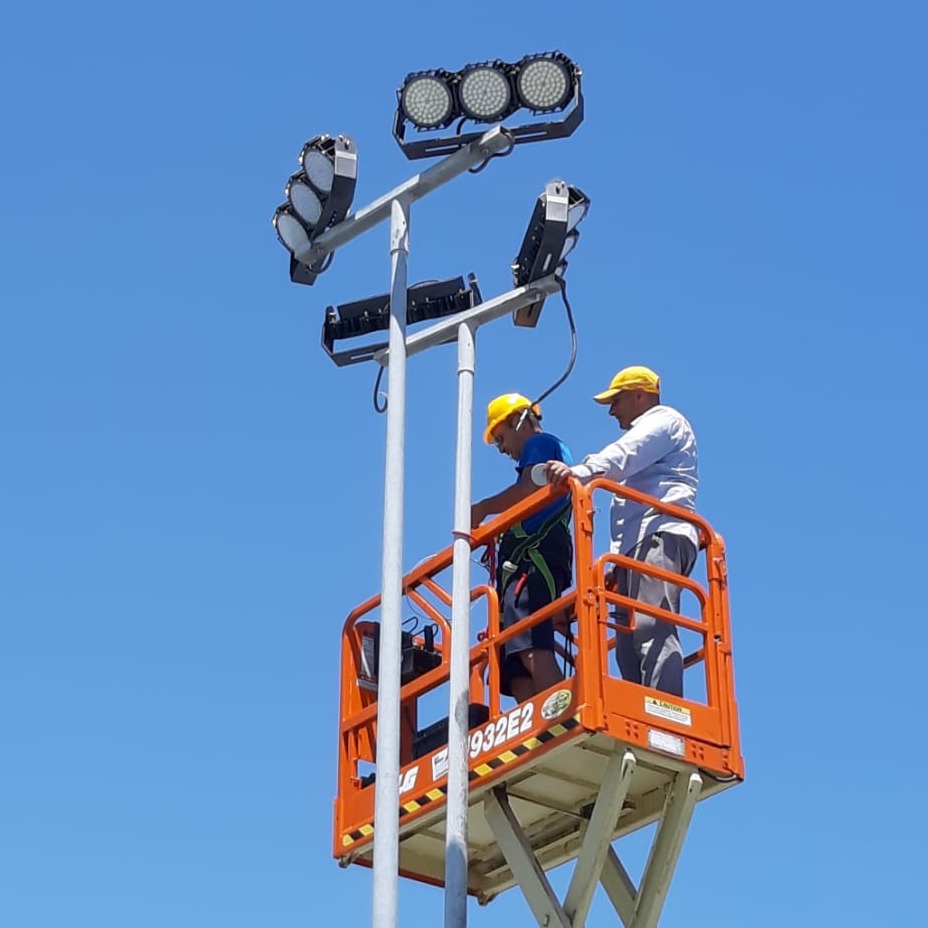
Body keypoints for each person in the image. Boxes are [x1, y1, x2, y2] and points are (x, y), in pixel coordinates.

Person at [544, 366, 698, 697]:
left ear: (640, 395)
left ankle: (664, 711)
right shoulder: (655, 428)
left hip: (659, 534)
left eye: (616, 400)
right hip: (640, 543)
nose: (612, 410)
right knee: (628, 645)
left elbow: (623, 456)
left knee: (651, 626)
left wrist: (579, 472)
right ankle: (643, 709)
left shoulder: (664, 421)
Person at [471, 393, 573, 702]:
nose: (501, 448)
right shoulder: (541, 450)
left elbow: (530, 487)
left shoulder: (541, 445)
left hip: (535, 560)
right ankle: (536, 723)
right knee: (512, 665)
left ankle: (561, 714)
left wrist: (483, 509)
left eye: (501, 437)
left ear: (520, 420)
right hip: (523, 565)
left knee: (530, 647)